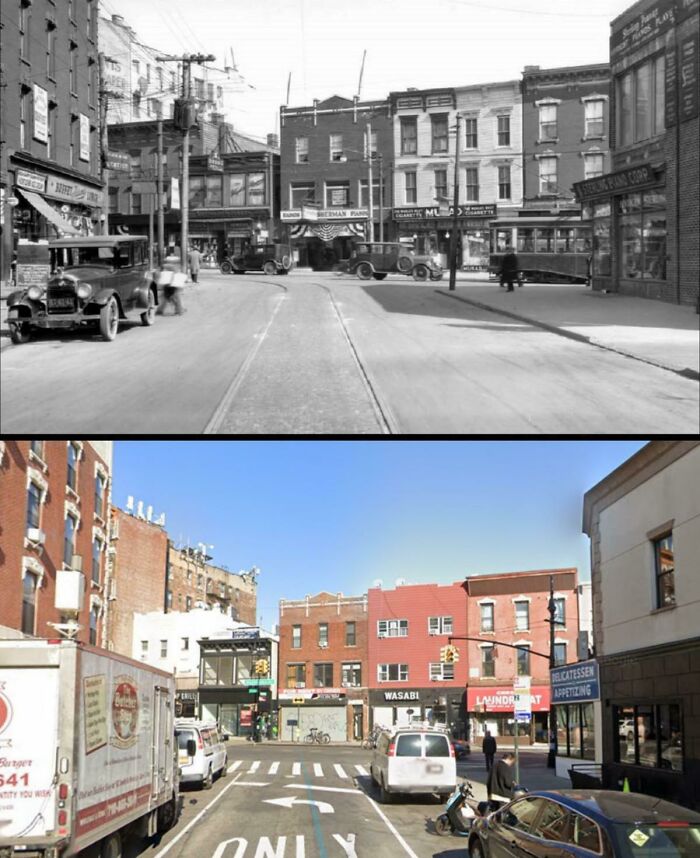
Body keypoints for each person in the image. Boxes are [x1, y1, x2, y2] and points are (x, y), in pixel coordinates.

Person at [156, 248, 186, 316]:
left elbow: (160, 273)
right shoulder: (173, 267)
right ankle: (179, 310)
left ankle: (160, 310)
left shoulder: (165, 266)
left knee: (166, 297)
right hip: (172, 284)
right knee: (174, 297)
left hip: (168, 284)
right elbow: (175, 275)